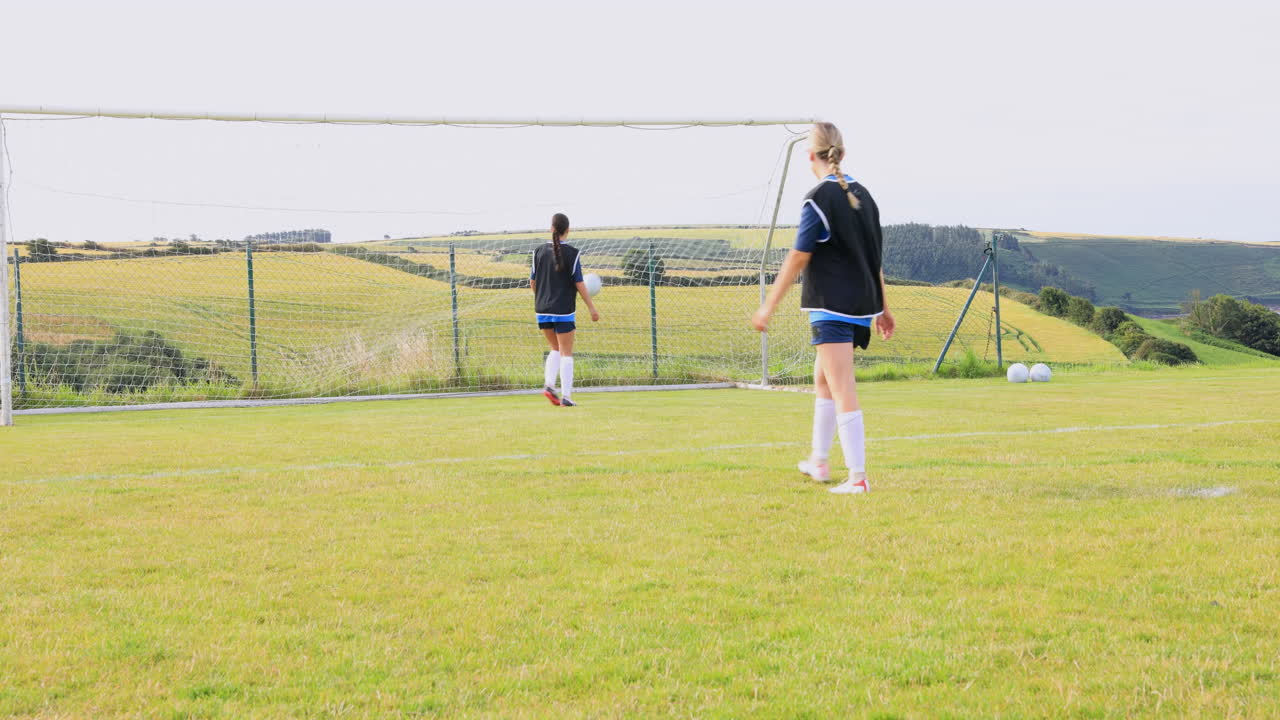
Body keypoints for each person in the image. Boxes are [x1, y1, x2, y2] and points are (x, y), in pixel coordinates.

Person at [752, 123, 895, 494]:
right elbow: (875, 259)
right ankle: (819, 460)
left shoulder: (818, 198)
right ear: (842, 154)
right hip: (861, 306)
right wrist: (884, 307)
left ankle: (858, 478)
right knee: (824, 381)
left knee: (841, 385)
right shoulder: (865, 197)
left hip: (831, 306)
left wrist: (768, 306)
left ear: (810, 156)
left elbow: (799, 256)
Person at [531, 213, 600, 407]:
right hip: (563, 310)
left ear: (551, 228)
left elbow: (533, 282)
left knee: (555, 348)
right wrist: (592, 308)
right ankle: (566, 397)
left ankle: (549, 385)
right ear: (567, 231)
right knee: (566, 353)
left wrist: (543, 298)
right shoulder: (573, 253)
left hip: (542, 309)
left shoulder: (538, 251)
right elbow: (579, 282)